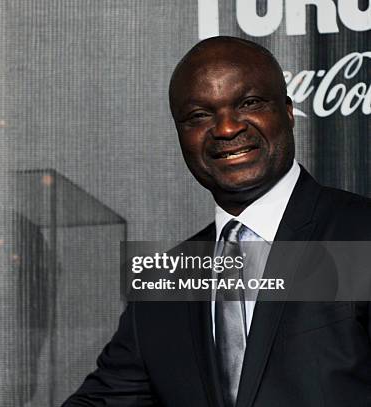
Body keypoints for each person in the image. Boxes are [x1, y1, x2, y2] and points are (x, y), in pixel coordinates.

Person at [62, 36, 371, 407]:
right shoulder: (164, 282)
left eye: (249, 103)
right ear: (180, 135)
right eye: (199, 116)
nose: (226, 128)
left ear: (287, 112)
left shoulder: (360, 234)